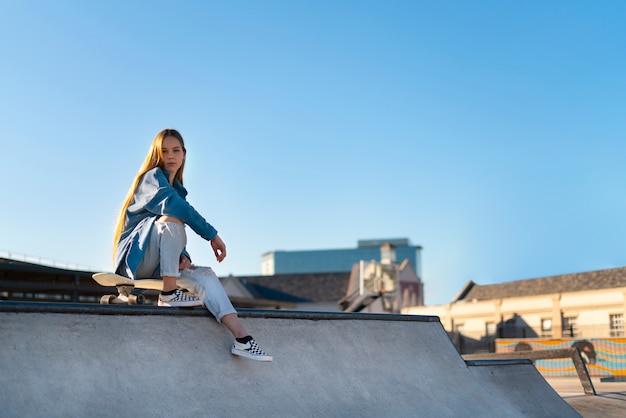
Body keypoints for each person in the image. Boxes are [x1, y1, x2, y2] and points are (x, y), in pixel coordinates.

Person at [112, 128, 272, 362]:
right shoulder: (151, 179)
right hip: (136, 260)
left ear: (184, 154)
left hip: (158, 264)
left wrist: (182, 255)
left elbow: (170, 234)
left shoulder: (177, 188)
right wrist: (212, 235)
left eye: (176, 151)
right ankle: (168, 293)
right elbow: (173, 212)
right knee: (173, 217)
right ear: (157, 154)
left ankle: (243, 339)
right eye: (164, 151)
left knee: (205, 275)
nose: (170, 156)